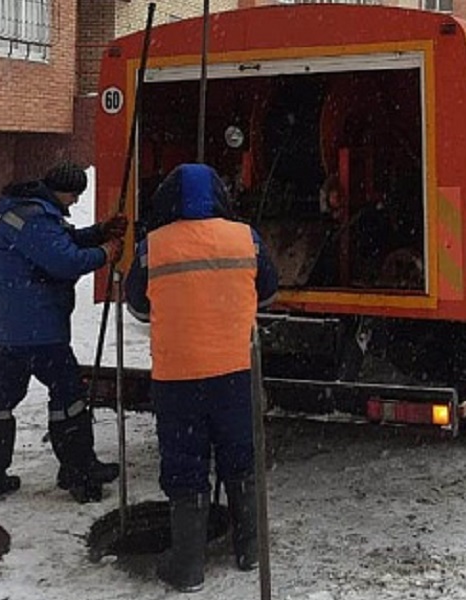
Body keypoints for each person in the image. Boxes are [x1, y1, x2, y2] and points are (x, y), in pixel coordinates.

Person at [125, 163, 278, 593]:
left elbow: (137, 307)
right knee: (242, 457)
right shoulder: (245, 237)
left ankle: (188, 566)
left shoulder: (152, 247)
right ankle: (249, 551)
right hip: (235, 372)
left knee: (185, 465)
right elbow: (269, 289)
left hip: (178, 379)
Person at [0, 161, 126, 504]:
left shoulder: (29, 213)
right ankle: (79, 474)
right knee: (69, 397)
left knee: (0, 399)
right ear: (62, 191)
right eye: (73, 195)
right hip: (38, 331)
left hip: (13, 329)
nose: (73, 202)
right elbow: (64, 260)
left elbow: (62, 239)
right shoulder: (35, 219)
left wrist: (99, 230)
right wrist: (105, 252)